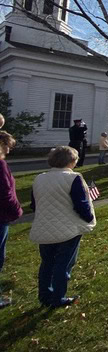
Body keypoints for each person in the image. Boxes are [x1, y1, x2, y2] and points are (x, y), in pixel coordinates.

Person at [30, 146, 96, 308]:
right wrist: (89, 218)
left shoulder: (39, 178)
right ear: (70, 161)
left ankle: (45, 295)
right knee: (63, 263)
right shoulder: (73, 178)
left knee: (47, 263)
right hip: (68, 227)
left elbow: (34, 204)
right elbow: (81, 204)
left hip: (45, 226)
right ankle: (58, 297)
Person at [0, 131, 21, 308]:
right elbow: (6, 193)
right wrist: (17, 211)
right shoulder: (1, 165)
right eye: (7, 145)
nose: (9, 150)